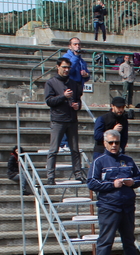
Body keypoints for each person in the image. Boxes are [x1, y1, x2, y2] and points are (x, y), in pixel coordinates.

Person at [86, 129, 140, 255]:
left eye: (117, 142)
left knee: (129, 239)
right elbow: (91, 183)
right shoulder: (99, 162)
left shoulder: (127, 160)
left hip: (127, 206)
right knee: (106, 240)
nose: (114, 145)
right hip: (109, 206)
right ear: (105, 143)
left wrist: (132, 182)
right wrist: (112, 184)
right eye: (111, 143)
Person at [45, 57, 83, 185]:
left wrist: (78, 105)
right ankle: (50, 176)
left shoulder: (74, 83)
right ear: (58, 67)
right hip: (58, 120)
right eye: (64, 67)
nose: (66, 70)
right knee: (53, 150)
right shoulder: (51, 82)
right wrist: (63, 97)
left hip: (72, 119)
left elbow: (78, 100)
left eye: (68, 68)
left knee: (75, 149)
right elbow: (49, 101)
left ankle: (78, 174)